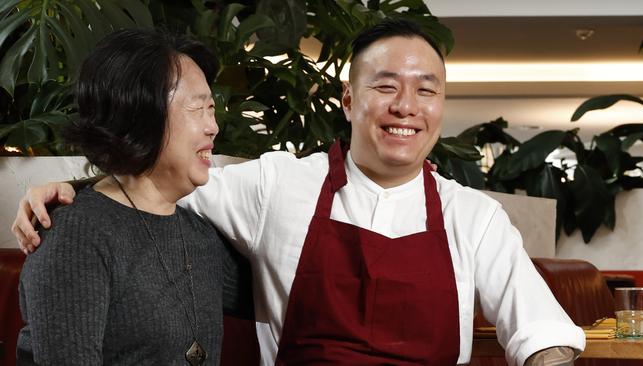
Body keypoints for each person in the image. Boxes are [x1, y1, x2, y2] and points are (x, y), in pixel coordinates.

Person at [12, 19, 584, 365]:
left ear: (440, 106)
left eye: (425, 91)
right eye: (384, 86)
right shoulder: (274, 185)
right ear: (349, 100)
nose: (406, 107)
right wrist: (72, 191)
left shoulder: (474, 217)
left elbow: (541, 332)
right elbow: (146, 186)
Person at [14, 29, 250, 365]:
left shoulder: (199, 235)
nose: (213, 126)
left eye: (212, 109)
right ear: (143, 113)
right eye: (198, 109)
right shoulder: (76, 236)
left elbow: (291, 290)